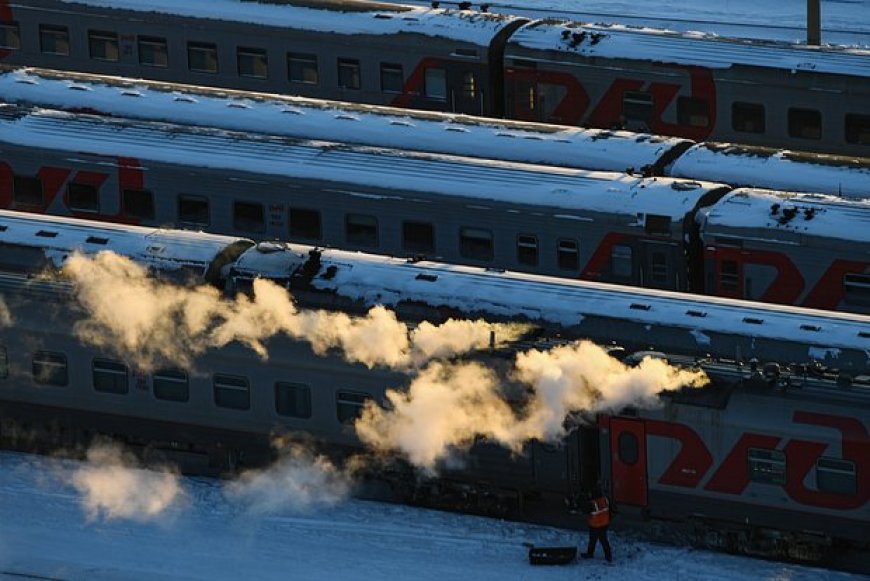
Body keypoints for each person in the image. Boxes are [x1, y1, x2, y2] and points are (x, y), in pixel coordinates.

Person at [581, 486, 612, 562]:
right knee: (603, 540)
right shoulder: (605, 500)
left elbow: (585, 510)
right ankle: (608, 556)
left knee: (593, 540)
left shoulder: (593, 503)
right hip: (605, 524)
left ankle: (590, 553)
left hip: (595, 525)